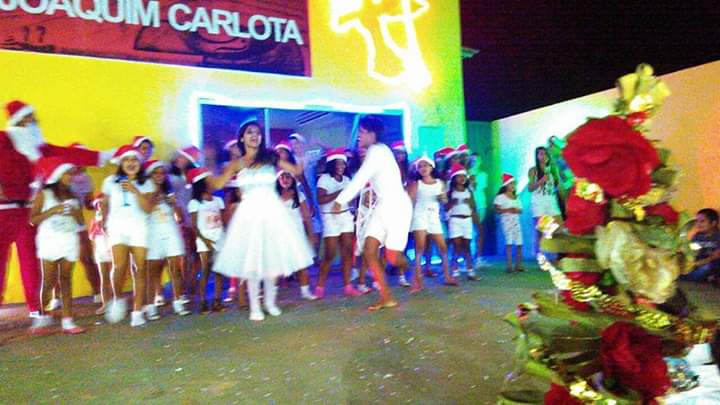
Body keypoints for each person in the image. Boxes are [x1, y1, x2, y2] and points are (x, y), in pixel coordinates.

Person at [0, 100, 105, 320]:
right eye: (28, 119)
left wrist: (105, 156)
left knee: (31, 261)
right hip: (3, 211)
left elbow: (71, 154)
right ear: (18, 121)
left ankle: (37, 308)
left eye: (34, 119)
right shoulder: (3, 139)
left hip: (28, 210)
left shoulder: (39, 147)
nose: (33, 124)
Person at [212, 121, 313, 321]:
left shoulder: (271, 158)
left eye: (257, 133)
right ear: (242, 138)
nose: (254, 136)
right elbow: (218, 183)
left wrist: (301, 153)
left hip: (272, 212)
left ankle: (270, 302)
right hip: (249, 215)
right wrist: (207, 167)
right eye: (250, 132)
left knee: (271, 259)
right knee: (253, 261)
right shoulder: (237, 163)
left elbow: (296, 171)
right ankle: (255, 306)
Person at [332, 116, 412, 311]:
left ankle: (409, 267)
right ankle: (386, 297)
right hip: (382, 207)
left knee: (392, 257)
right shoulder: (376, 151)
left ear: (372, 134)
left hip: (397, 207)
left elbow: (360, 179)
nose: (359, 136)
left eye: (362, 132)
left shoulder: (377, 151)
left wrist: (340, 200)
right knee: (369, 250)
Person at [29, 158, 87, 335]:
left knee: (66, 280)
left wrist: (74, 212)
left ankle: (67, 321)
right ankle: (43, 317)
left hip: (69, 241)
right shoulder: (44, 195)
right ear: (56, 175)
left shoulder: (73, 196)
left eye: (71, 173)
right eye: (67, 173)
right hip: (49, 241)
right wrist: (53, 211)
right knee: (49, 280)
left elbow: (81, 222)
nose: (70, 176)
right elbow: (33, 220)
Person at [102, 145, 156, 327]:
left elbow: (148, 208)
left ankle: (137, 311)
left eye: (134, 160)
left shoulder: (147, 183)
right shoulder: (110, 181)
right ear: (120, 163)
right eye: (126, 160)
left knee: (140, 268)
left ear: (140, 163)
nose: (131, 163)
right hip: (117, 227)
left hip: (139, 227)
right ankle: (117, 299)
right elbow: (105, 204)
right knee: (119, 267)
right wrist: (104, 223)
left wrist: (135, 190)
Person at [315, 148, 363, 298]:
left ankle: (348, 286)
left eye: (343, 163)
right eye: (338, 163)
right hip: (330, 217)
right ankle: (320, 285)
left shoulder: (347, 180)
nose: (341, 166)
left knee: (347, 252)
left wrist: (354, 210)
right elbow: (320, 199)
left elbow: (352, 198)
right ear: (332, 164)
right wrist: (340, 193)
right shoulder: (324, 179)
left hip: (345, 216)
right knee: (330, 253)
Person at [144, 160, 189, 317]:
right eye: (155, 173)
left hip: (170, 230)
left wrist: (174, 204)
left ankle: (178, 303)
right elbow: (144, 211)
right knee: (153, 270)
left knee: (175, 268)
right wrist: (155, 194)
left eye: (162, 173)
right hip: (153, 232)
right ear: (149, 175)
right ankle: (151, 307)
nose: (159, 176)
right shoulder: (144, 191)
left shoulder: (170, 192)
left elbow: (180, 217)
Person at [407, 156, 455, 291]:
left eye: (426, 165)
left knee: (443, 247)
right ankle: (417, 279)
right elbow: (411, 202)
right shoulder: (416, 184)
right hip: (420, 215)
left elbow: (445, 201)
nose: (423, 168)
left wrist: (443, 199)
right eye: (420, 166)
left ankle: (447, 276)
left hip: (434, 216)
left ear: (431, 167)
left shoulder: (440, 183)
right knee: (420, 247)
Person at [187, 168, 227, 313]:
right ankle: (203, 301)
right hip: (204, 239)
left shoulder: (218, 201)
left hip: (219, 237)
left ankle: (217, 300)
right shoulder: (195, 203)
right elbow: (194, 226)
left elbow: (222, 221)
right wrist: (206, 241)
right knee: (205, 270)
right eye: (209, 181)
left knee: (219, 270)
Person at [276, 170, 318, 301]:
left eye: (288, 177)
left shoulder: (299, 195)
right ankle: (272, 295)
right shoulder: (273, 196)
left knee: (301, 264)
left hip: (296, 234)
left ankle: (305, 292)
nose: (285, 180)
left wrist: (311, 234)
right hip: (279, 235)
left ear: (293, 179)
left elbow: (306, 217)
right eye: (282, 177)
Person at [445, 163, 480, 281]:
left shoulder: (469, 191)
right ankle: (454, 270)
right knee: (457, 246)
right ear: (454, 178)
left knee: (467, 246)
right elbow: (445, 208)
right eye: (459, 176)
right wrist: (452, 202)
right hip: (455, 220)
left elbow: (474, 207)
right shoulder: (450, 192)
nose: (462, 178)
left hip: (467, 220)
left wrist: (469, 203)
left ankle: (470, 271)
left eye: (464, 176)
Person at [528, 146, 563, 254]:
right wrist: (541, 180)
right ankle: (540, 255)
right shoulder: (533, 170)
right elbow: (530, 188)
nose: (544, 156)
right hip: (539, 201)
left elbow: (558, 186)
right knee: (540, 230)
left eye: (545, 154)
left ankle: (556, 252)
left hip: (551, 200)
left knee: (560, 227)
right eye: (541, 154)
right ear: (537, 156)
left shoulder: (552, 169)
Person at [88, 192, 113, 315]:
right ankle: (105, 304)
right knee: (104, 278)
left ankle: (115, 303)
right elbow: (92, 236)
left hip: (112, 248)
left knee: (114, 277)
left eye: (103, 204)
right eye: (98, 204)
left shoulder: (113, 217)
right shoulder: (95, 219)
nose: (100, 206)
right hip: (100, 250)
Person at [494, 173, 523, 273]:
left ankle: (518, 265)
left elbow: (521, 210)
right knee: (509, 243)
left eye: (514, 184)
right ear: (506, 185)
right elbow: (497, 210)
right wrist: (508, 210)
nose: (513, 186)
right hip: (506, 222)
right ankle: (509, 265)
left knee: (519, 243)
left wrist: (516, 210)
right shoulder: (500, 197)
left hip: (516, 221)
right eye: (511, 184)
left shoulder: (516, 197)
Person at [684, 208, 720, 282]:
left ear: (713, 223)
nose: (698, 224)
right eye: (697, 221)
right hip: (698, 264)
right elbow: (692, 251)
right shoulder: (697, 236)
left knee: (707, 268)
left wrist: (696, 264)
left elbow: (715, 257)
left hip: (711, 265)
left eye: (702, 221)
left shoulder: (718, 237)